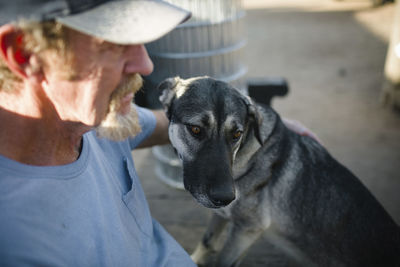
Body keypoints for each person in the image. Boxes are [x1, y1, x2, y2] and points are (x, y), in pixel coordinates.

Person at [0, 0, 319, 266]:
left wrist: (259, 126)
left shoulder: (96, 118)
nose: (145, 63)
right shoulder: (18, 243)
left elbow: (170, 124)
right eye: (113, 44)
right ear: (24, 53)